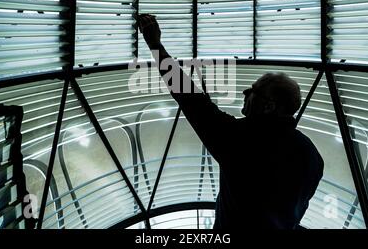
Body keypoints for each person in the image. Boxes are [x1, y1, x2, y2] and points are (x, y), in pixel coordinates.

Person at [138, 14, 324, 229]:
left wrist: (155, 44)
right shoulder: (311, 156)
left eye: (255, 90)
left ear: (269, 106)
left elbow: (190, 98)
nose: (246, 91)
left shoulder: (242, 139)